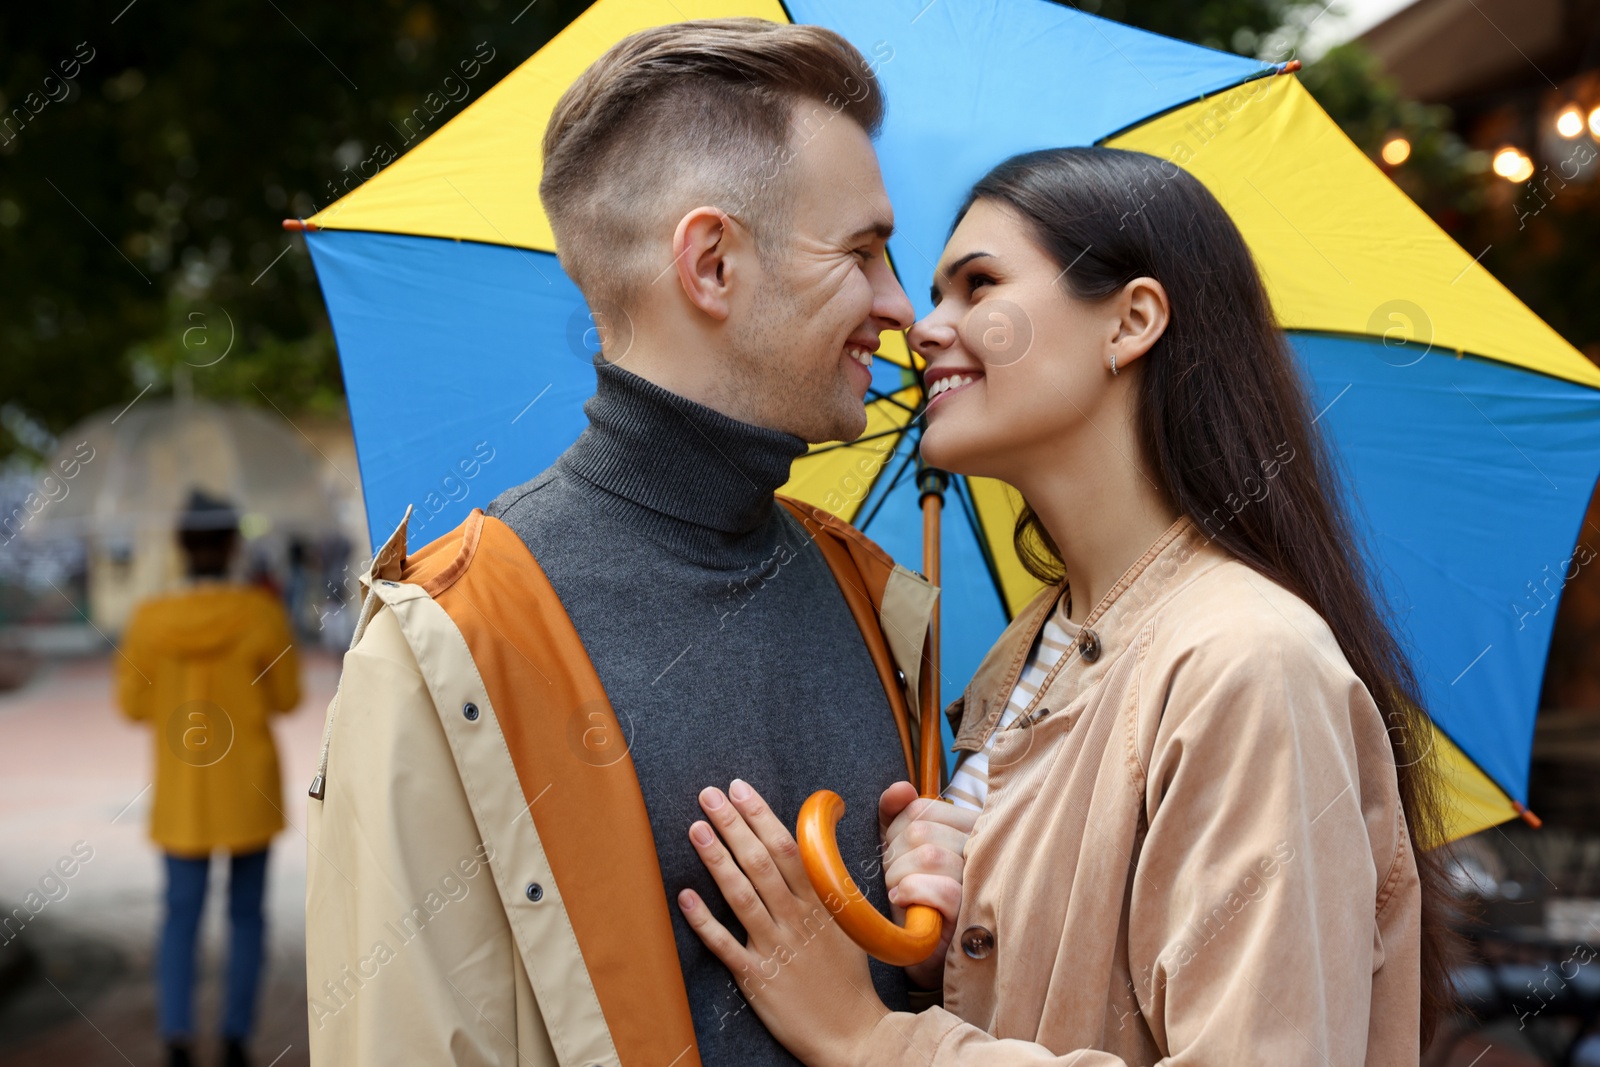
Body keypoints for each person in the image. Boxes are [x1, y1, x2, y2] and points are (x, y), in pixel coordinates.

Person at [677, 146, 1458, 1065]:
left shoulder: (1247, 660)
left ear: (1130, 321)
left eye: (978, 284)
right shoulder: (1022, 656)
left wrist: (872, 1036)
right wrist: (961, 932)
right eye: (937, 293)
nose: (924, 328)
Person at [304, 19, 941, 1066]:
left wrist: (933, 960)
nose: (898, 306)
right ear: (712, 262)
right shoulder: (445, 647)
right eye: (864, 252)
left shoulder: (878, 598)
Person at [117, 489, 301, 1067]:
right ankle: (236, 1037)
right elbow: (288, 698)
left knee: (179, 914)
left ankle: (176, 1037)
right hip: (248, 786)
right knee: (247, 914)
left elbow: (131, 706)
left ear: (179, 545)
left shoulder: (149, 620)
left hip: (181, 791)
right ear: (230, 544)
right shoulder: (261, 614)